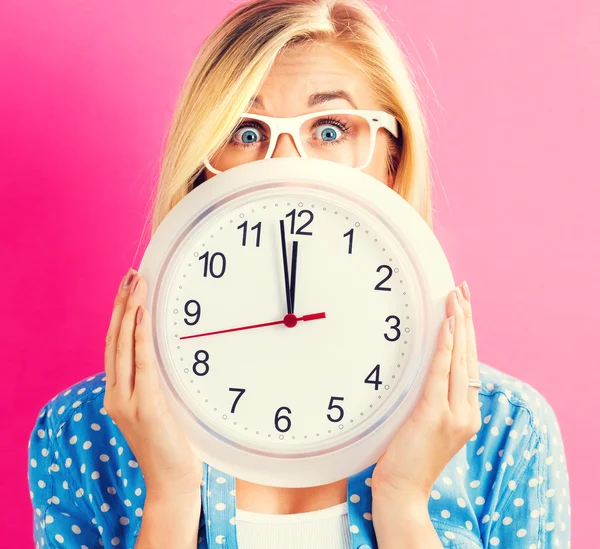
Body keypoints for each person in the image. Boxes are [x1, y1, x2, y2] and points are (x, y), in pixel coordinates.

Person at [27, 1, 570, 548]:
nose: (285, 163)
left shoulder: (504, 431)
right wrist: (169, 496)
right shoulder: (82, 434)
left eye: (330, 130)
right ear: (198, 164)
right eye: (243, 130)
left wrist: (404, 501)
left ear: (392, 161)